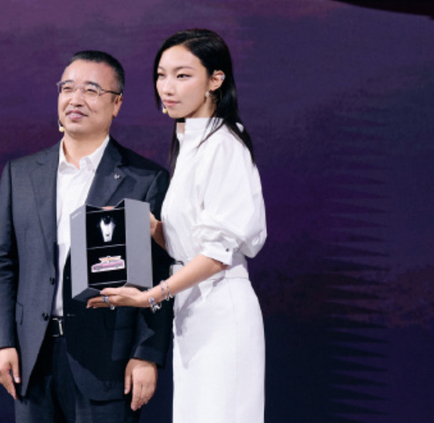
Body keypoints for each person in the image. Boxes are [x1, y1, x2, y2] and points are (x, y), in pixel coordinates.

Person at [88, 29, 267, 422]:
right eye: (161, 75)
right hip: (193, 311)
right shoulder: (190, 143)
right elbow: (186, 242)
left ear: (215, 80)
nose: (166, 87)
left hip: (221, 310)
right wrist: (140, 223)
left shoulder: (225, 144)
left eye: (182, 75)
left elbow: (217, 253)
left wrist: (150, 296)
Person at [0, 50, 173, 423]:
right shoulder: (20, 175)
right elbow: (1, 263)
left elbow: (160, 273)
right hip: (32, 358)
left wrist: (147, 354)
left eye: (91, 90)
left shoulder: (144, 179)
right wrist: (2, 342)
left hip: (108, 362)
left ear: (116, 104)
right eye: (67, 88)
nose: (75, 99)